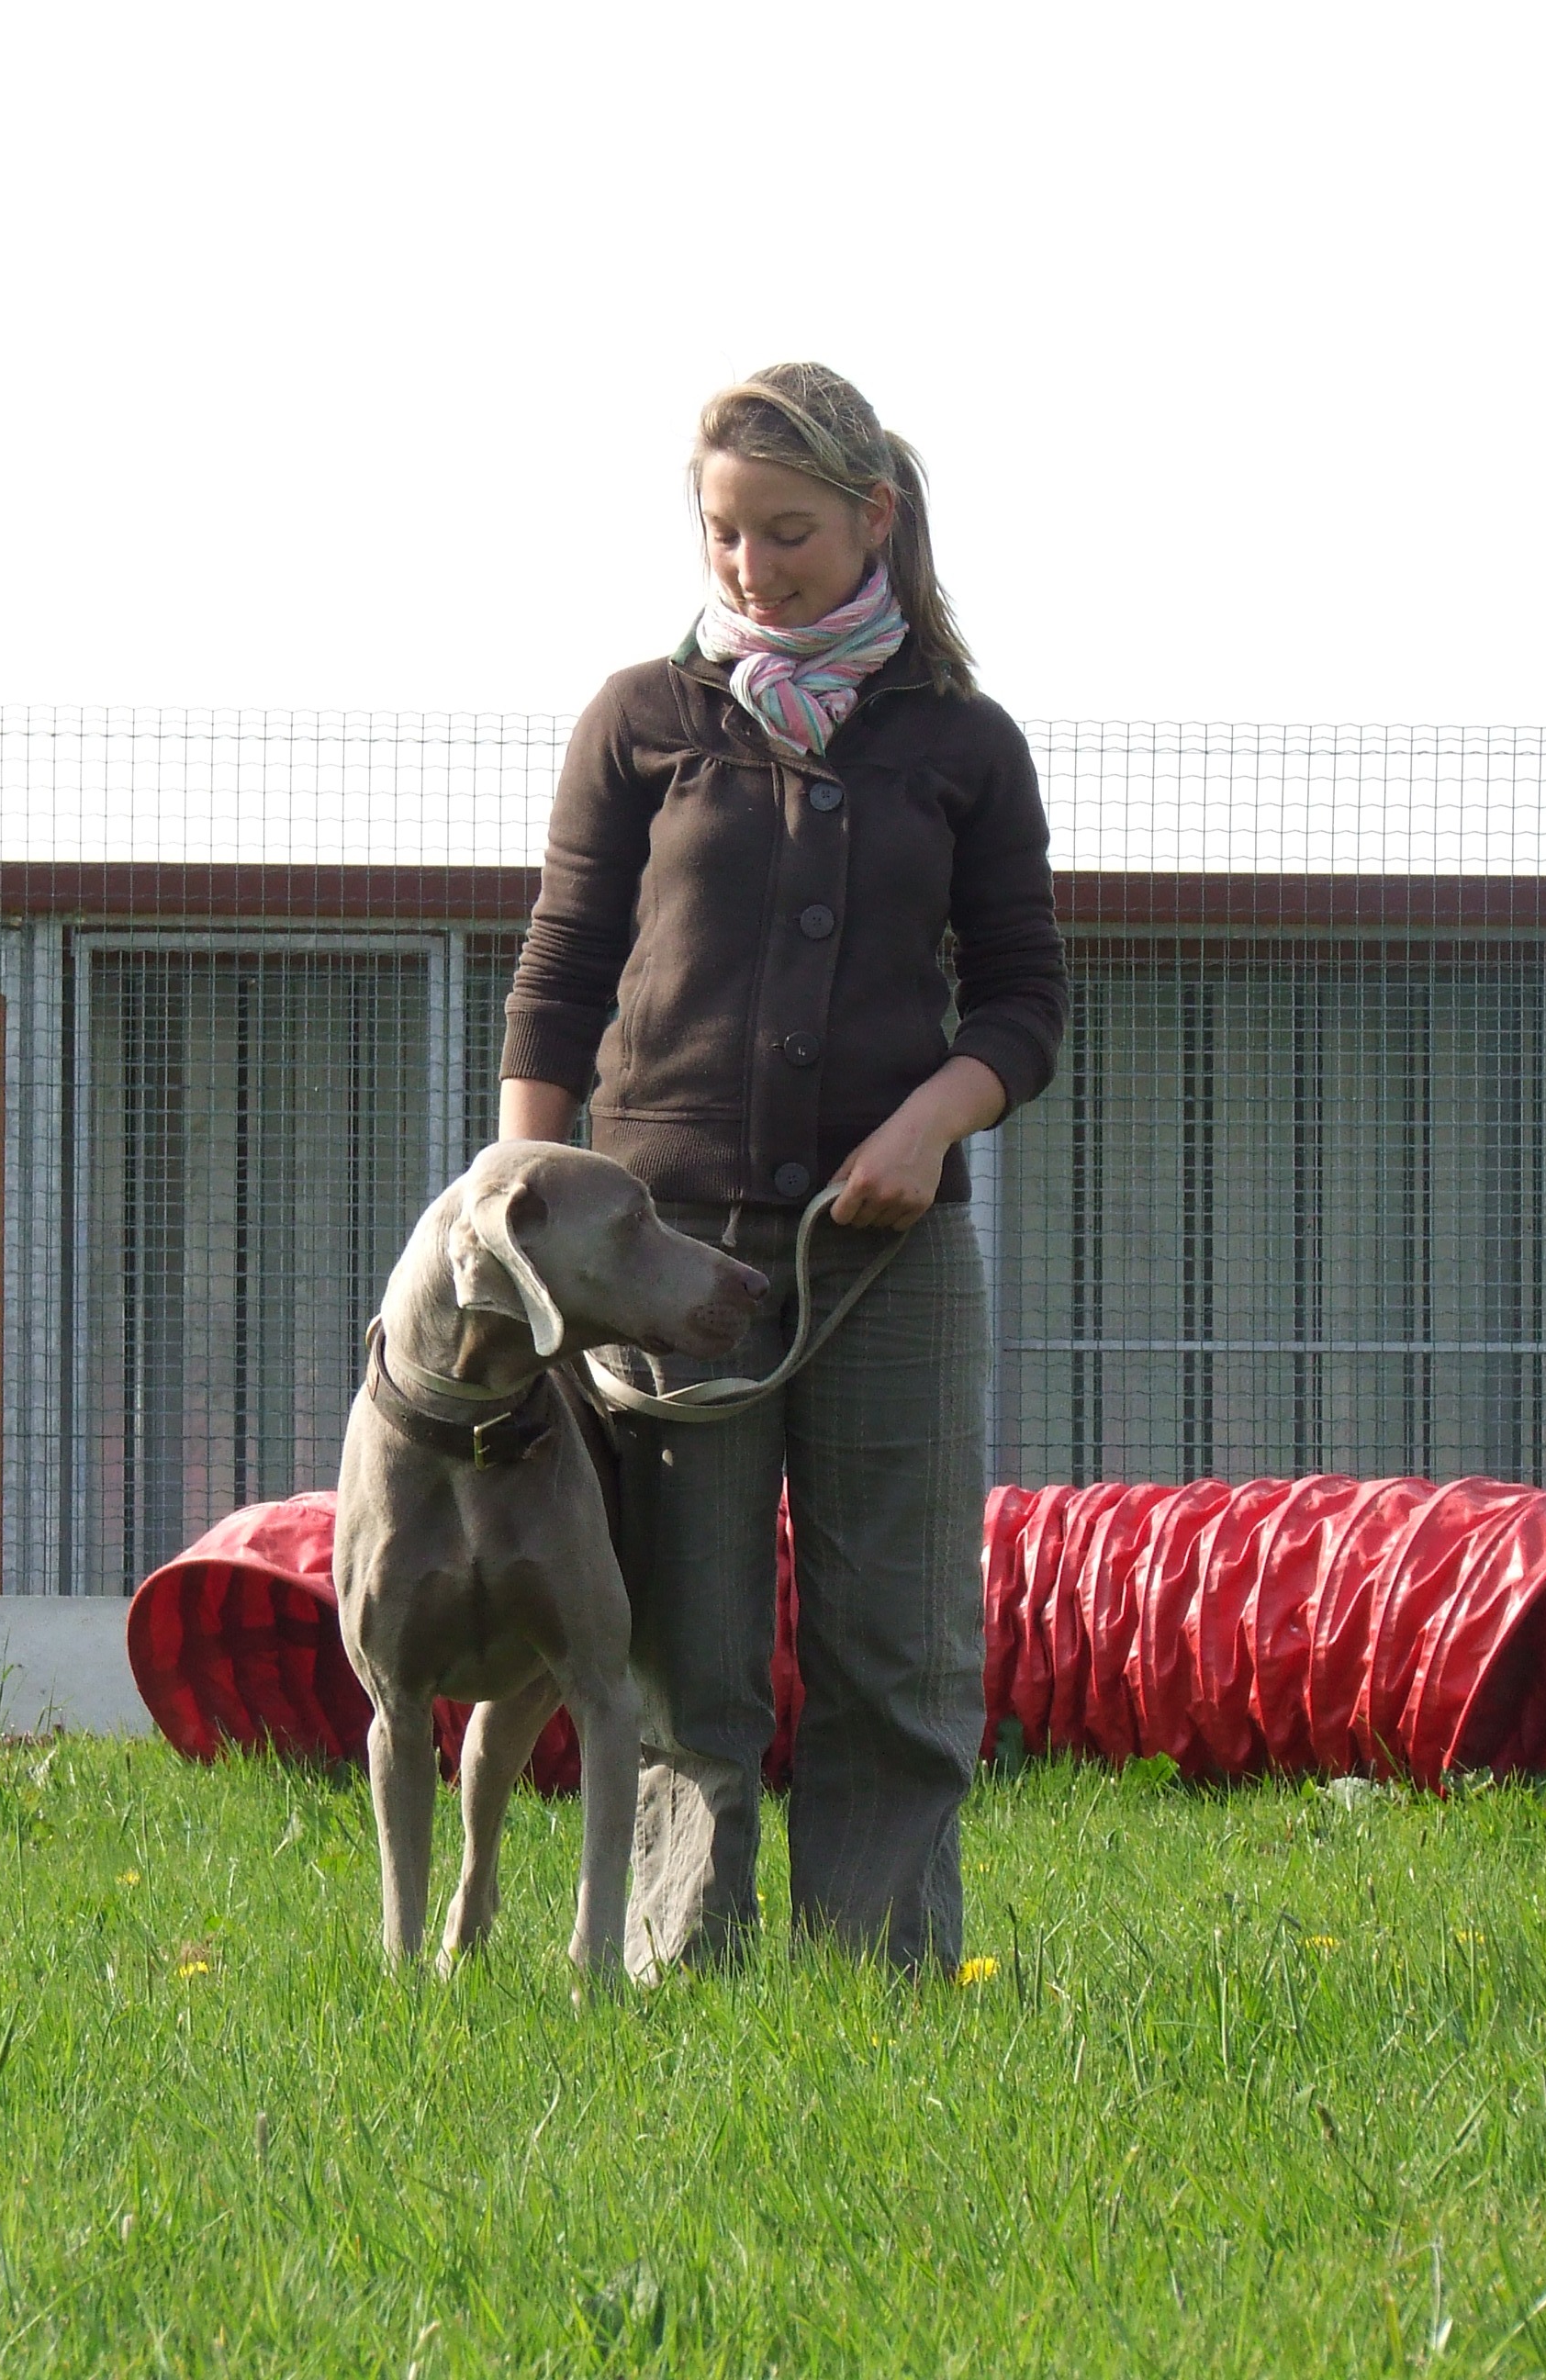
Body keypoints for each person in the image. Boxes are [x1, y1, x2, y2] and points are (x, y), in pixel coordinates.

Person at [499, 362, 1066, 1975]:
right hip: (653, 1253)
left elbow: (1026, 1001)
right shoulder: (640, 721)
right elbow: (560, 971)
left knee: (898, 1640)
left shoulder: (963, 743)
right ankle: (682, 1963)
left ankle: (882, 1978)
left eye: (790, 534)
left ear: (875, 519)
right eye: (726, 535)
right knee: (687, 1647)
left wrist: (929, 1122)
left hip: (888, 1250)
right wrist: (521, 1222)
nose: (753, 569)